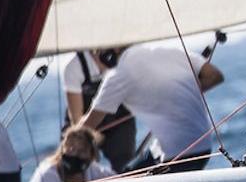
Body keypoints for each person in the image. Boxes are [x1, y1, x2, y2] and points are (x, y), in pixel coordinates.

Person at [81, 42, 224, 172]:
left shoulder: (118, 75)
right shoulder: (168, 49)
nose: (95, 58)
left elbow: (88, 125)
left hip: (177, 155)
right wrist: (180, 93)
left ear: (109, 55)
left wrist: (60, 159)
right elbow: (214, 76)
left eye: (97, 52)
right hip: (203, 147)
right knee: (131, 170)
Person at [62, 49, 137, 172]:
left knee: (125, 161)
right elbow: (76, 121)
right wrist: (89, 141)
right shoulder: (74, 67)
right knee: (74, 165)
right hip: (82, 123)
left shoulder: (125, 59)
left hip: (118, 121)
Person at [27, 125, 114, 182]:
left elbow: (115, 178)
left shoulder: (94, 171)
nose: (75, 154)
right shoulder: (47, 174)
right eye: (70, 149)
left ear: (91, 155)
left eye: (82, 151)